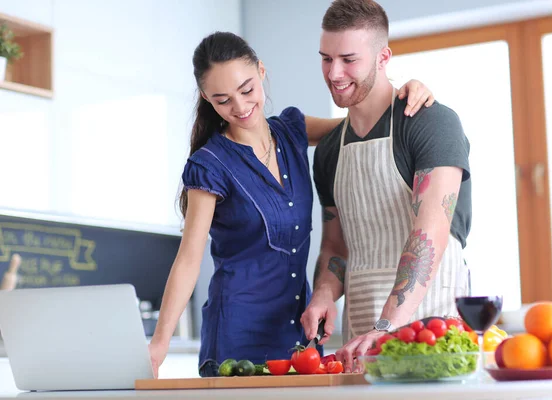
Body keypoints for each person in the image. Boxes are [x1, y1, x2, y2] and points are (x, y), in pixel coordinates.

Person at [147, 31, 435, 378]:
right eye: (222, 100)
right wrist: (159, 345)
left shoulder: (291, 131)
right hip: (237, 340)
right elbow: (188, 260)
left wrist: (405, 95)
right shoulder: (210, 165)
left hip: (300, 336)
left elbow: (363, 125)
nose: (239, 107)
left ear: (262, 71)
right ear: (207, 98)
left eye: (247, 89)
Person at [300, 0, 472, 373]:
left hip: (434, 334)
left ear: (383, 57)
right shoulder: (329, 150)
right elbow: (335, 246)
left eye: (349, 59)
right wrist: (324, 295)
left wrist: (387, 326)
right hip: (360, 343)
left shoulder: (431, 124)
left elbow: (429, 234)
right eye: (326, 59)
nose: (334, 72)